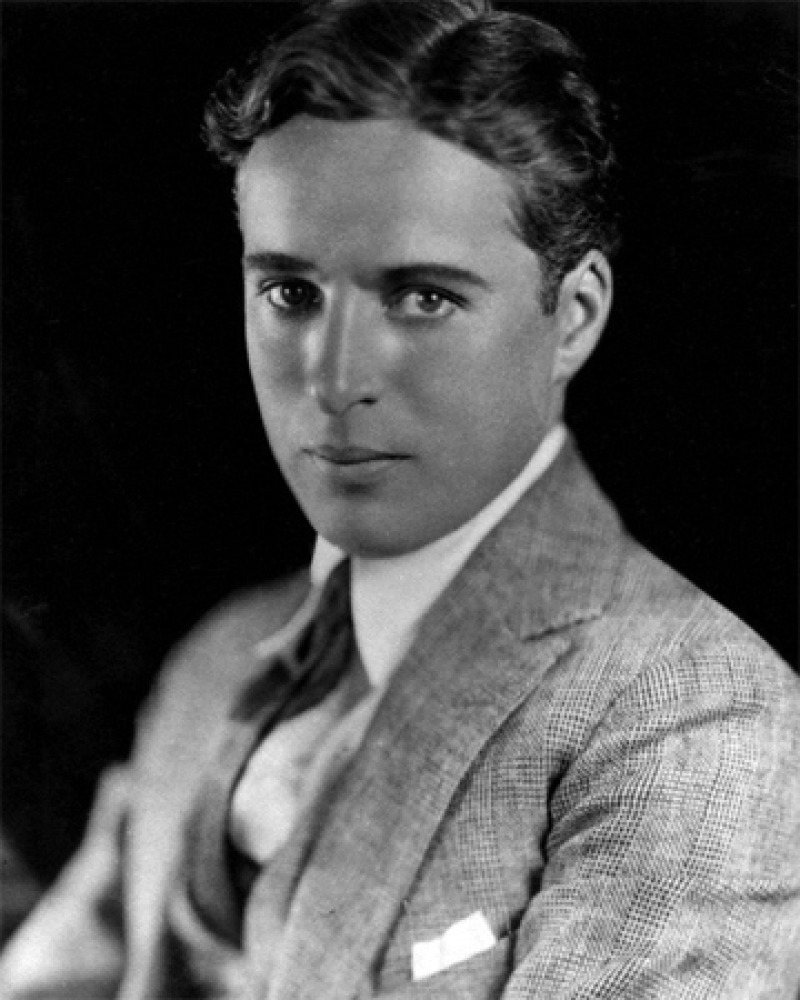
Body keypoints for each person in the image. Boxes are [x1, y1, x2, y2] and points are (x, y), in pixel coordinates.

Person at [2, 1, 799, 997]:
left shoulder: (689, 714)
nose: (334, 377)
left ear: (574, 316)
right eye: (289, 293)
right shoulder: (218, 660)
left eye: (422, 296)